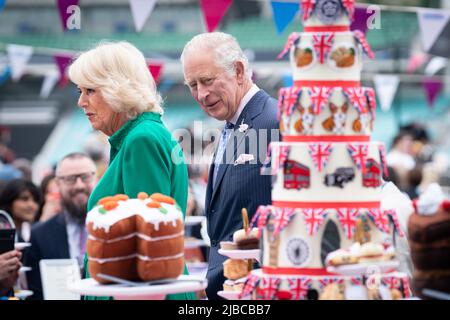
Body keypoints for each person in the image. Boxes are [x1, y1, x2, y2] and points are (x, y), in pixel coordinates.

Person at [68, 41, 194, 300]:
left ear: (118, 88)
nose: (81, 101)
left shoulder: (141, 140)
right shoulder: (141, 135)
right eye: (80, 91)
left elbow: (150, 247)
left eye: (90, 90)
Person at [181, 32, 279, 299]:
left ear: (238, 71)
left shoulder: (275, 121)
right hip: (225, 289)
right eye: (192, 84)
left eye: (207, 80)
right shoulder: (232, 125)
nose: (201, 93)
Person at [24, 153, 97, 300]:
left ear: (96, 178)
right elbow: (36, 293)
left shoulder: (115, 226)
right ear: (58, 183)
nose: (79, 185)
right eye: (70, 179)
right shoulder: (40, 235)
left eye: (85, 177)